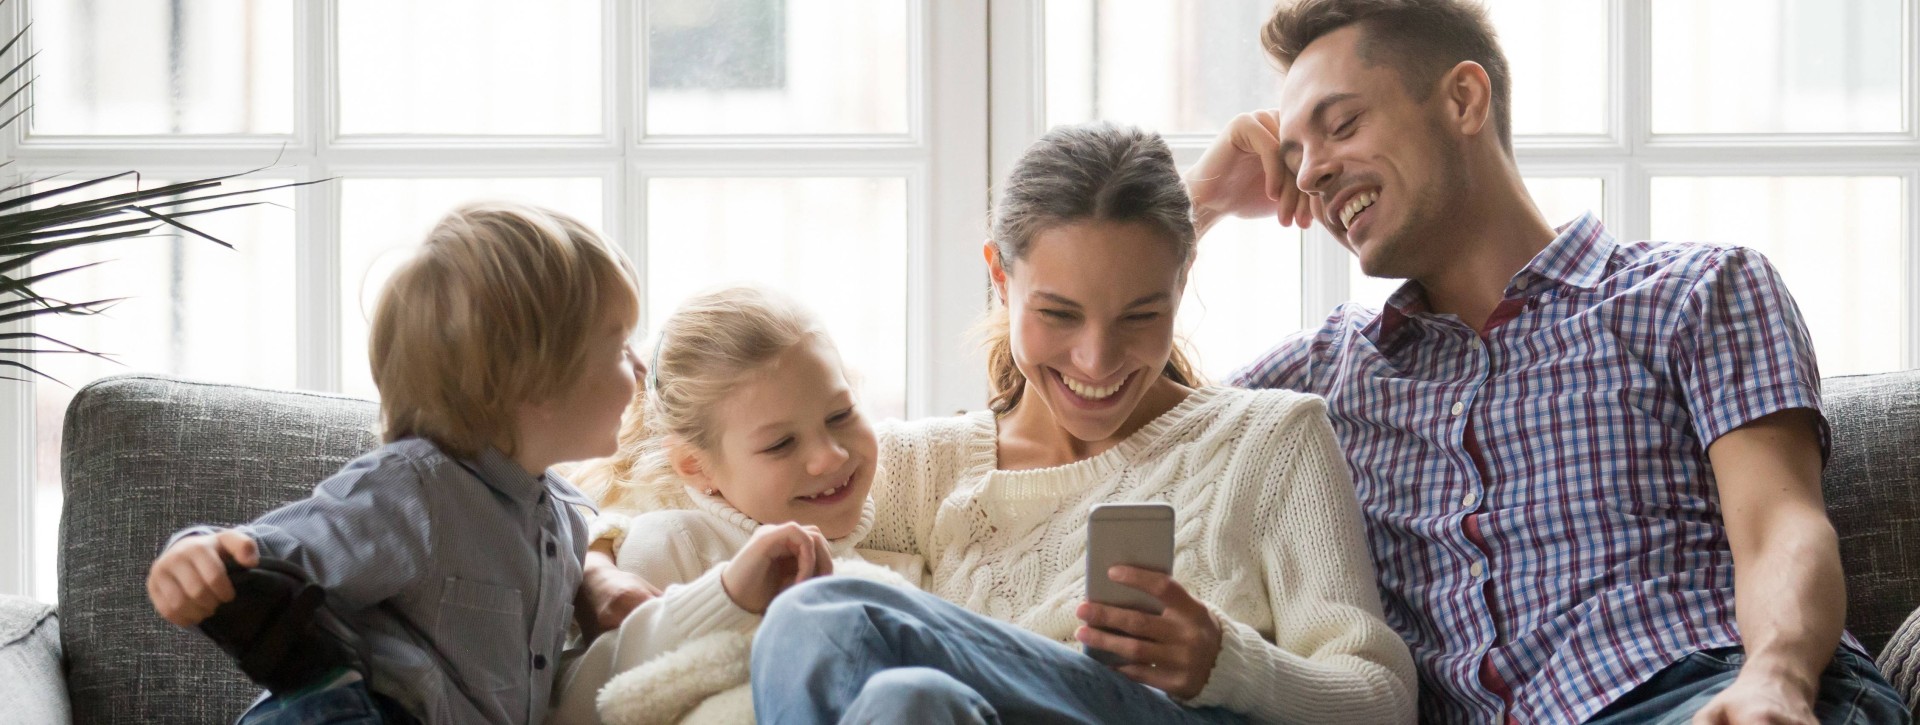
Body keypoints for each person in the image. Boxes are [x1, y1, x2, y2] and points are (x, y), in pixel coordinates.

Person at [1185, 1, 1909, 722]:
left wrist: (1774, 679)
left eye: (1342, 126)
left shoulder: (1696, 291)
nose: (1310, 174)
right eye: (1293, 158)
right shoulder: (1327, 374)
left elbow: (1781, 524)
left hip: (1703, 691)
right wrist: (1198, 205)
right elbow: (1098, 409)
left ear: (1465, 99)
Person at [748, 122, 1417, 724]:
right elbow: (714, 506)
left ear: (1181, 285)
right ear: (1001, 280)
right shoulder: (915, 469)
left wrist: (1227, 662)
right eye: (1060, 315)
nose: (1096, 360)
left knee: (821, 616)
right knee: (911, 701)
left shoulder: (1269, 439)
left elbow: (1382, 697)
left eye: (1139, 316)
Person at [145, 202, 643, 724]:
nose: (639, 364)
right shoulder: (414, 489)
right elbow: (269, 556)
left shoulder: (562, 521)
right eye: (619, 346)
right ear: (537, 379)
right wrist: (195, 555)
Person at [550, 286, 919, 725]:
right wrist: (726, 598)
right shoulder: (672, 542)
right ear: (695, 466)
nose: (830, 457)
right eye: (781, 444)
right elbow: (592, 700)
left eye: (840, 415)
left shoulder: (888, 561)